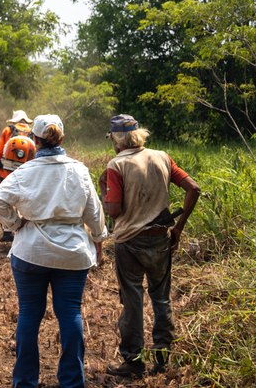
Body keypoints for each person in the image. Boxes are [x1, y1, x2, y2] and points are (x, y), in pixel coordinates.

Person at [0, 114, 108, 388]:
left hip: (31, 252)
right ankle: (71, 381)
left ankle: (25, 381)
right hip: (73, 253)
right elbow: (94, 211)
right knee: (70, 313)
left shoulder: (26, 171)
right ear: (61, 139)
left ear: (34, 140)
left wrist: (15, 224)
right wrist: (99, 241)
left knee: (30, 313)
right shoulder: (79, 170)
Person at [100, 114, 201, 378]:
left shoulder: (116, 164)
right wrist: (178, 228)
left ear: (116, 138)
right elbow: (193, 188)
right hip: (160, 238)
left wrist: (104, 191)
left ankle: (133, 363)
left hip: (130, 243)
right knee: (161, 298)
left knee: (132, 302)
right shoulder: (162, 157)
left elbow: (113, 209)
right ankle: (162, 357)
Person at [0, 110, 34, 241]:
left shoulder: (7, 131)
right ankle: (24, 231)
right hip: (27, 173)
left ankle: (8, 231)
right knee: (23, 200)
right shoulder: (32, 133)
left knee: (5, 200)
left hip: (6, 173)